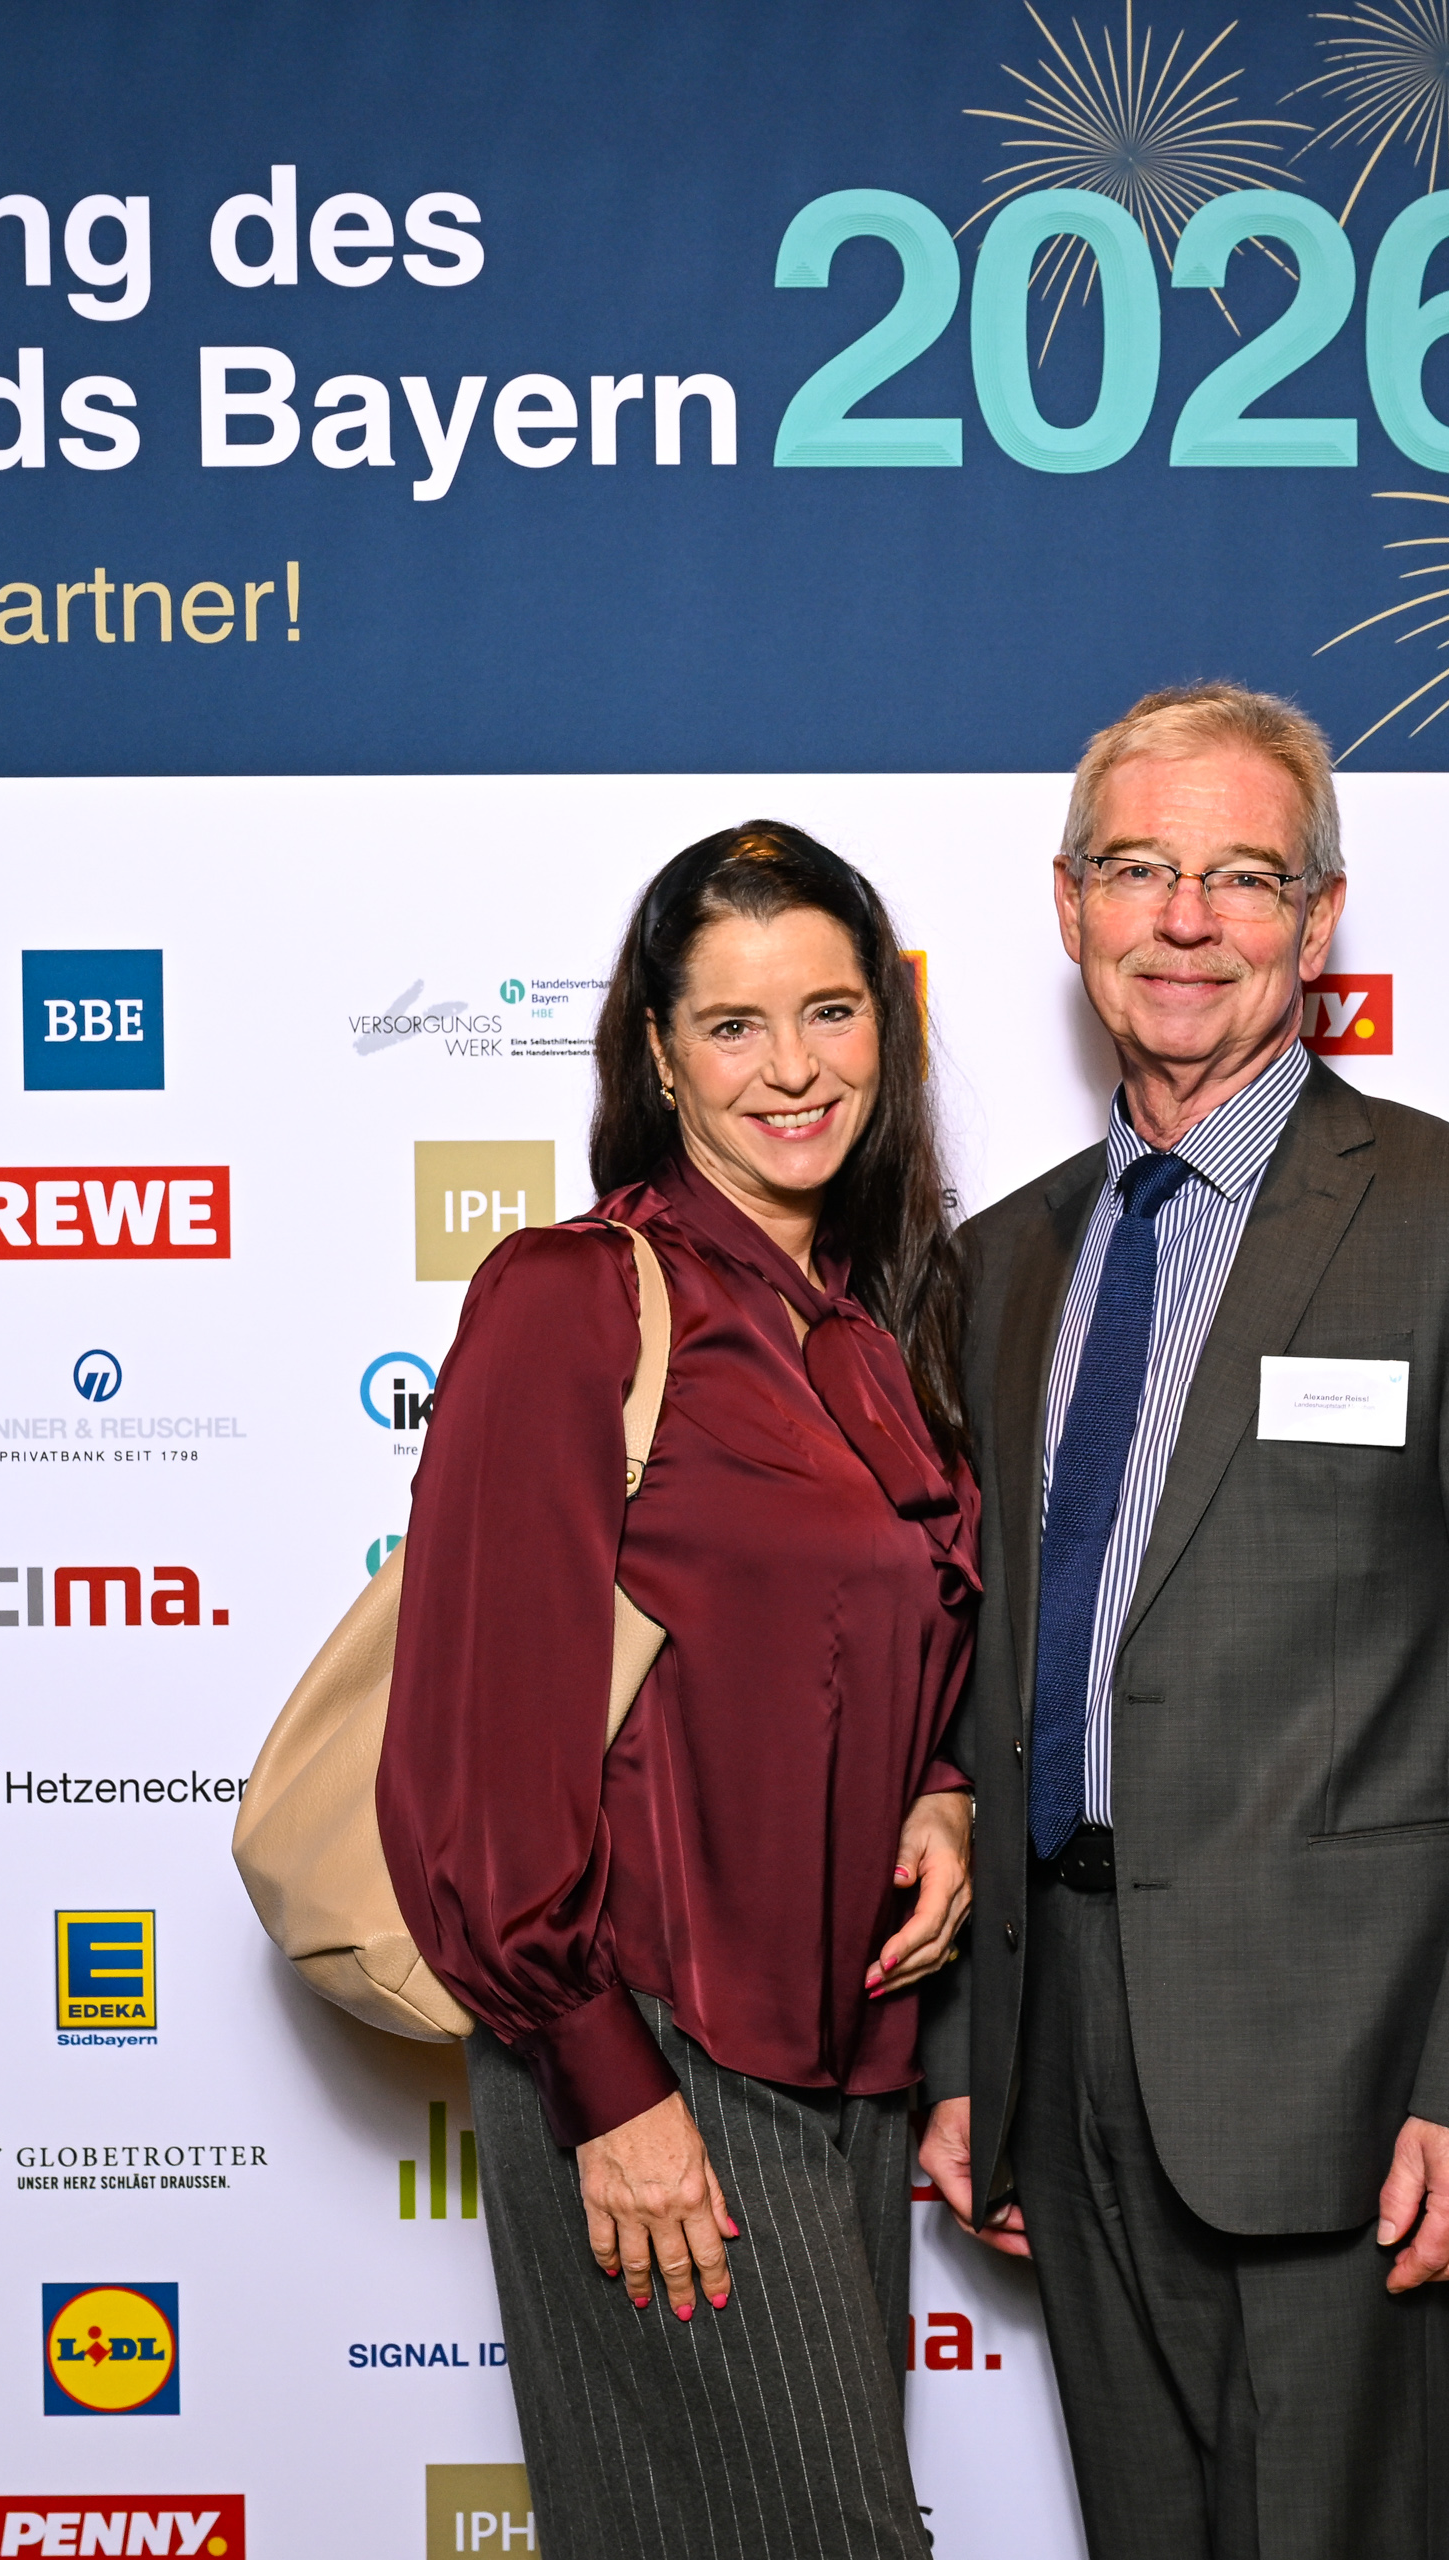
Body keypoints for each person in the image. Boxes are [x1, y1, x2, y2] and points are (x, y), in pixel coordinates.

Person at [918, 683, 1449, 2558]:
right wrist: (968, 2055)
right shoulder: (997, 1266)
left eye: (1244, 877)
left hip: (1348, 2075)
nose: (1186, 921)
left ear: (1317, 923)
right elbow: (976, 1690)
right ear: (1068, 906)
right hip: (1059, 2050)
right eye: (1138, 871)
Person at [380, 822, 983, 2560]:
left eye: (831, 1012)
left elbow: (885, 1637)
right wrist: (605, 2083)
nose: (794, 1069)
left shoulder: (879, 1318)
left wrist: (939, 1792)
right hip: (656, 2046)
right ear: (657, 1053)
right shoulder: (575, 1298)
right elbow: (477, 1747)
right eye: (734, 1025)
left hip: (847, 2058)